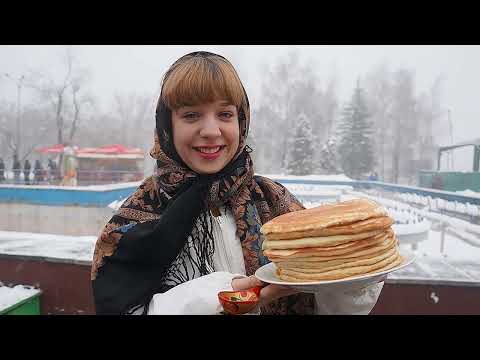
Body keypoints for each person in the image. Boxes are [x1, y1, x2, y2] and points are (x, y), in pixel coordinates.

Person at [91, 51, 384, 315]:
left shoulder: (275, 202)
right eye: (191, 115)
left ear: (241, 121)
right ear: (167, 125)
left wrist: (356, 277)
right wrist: (221, 296)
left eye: (225, 114)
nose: (211, 130)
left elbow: (331, 307)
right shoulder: (139, 216)